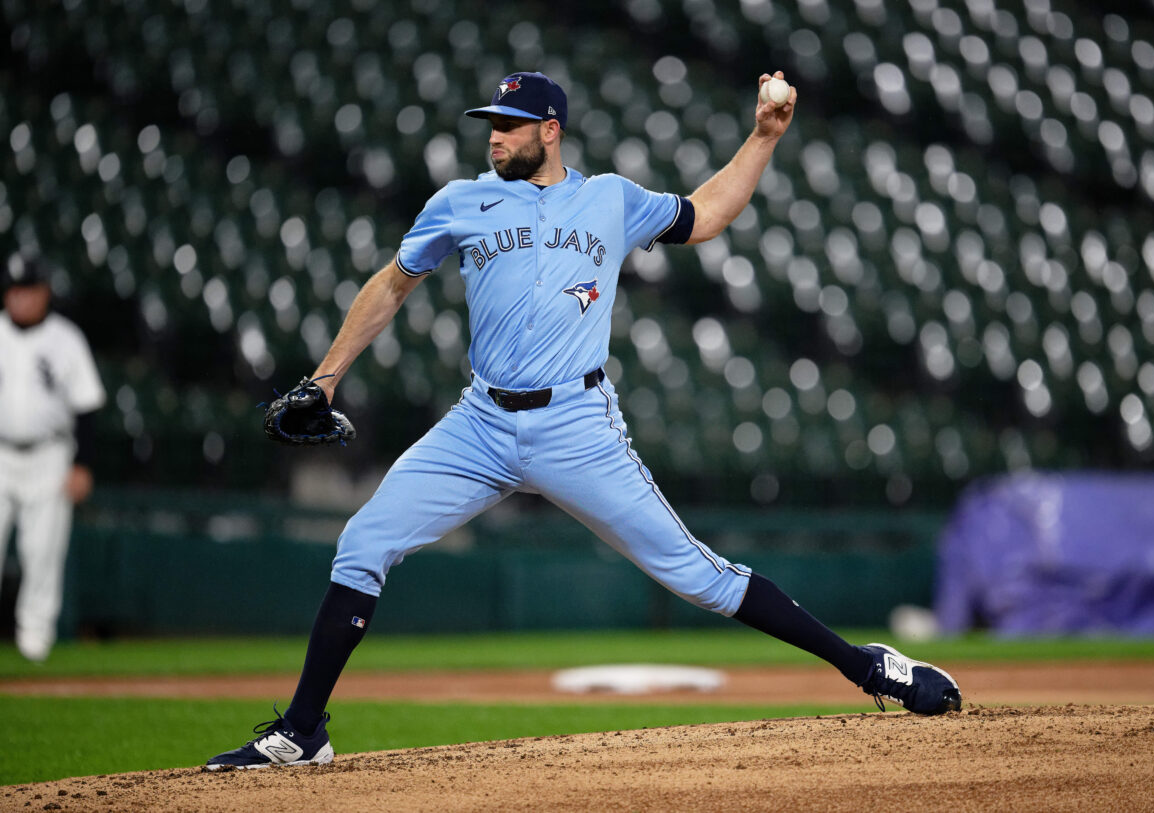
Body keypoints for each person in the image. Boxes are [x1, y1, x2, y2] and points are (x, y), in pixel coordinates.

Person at [206, 70, 961, 770]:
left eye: (509, 124)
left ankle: (869, 665)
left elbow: (709, 215)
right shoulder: (460, 201)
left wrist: (763, 136)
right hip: (480, 424)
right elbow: (391, 285)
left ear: (551, 129)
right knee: (364, 540)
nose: (494, 136)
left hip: (577, 424)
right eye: (491, 125)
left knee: (697, 575)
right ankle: (304, 730)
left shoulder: (608, 199)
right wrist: (324, 380)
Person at [0, 257, 106, 662]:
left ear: (44, 292)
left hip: (49, 454)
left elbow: (87, 408)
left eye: (27, 289)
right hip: (1, 452)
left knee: (42, 549)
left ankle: (35, 639)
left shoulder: (66, 338)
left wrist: (83, 463)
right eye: (13, 290)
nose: (20, 298)